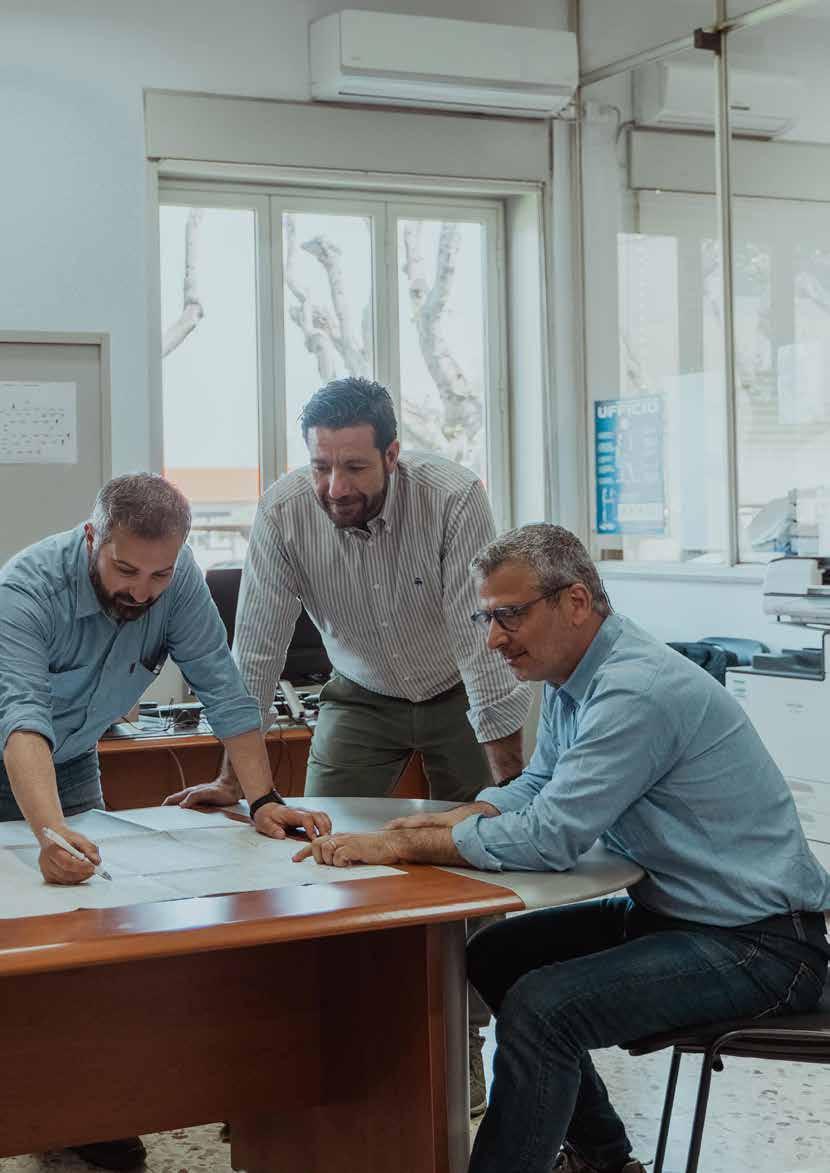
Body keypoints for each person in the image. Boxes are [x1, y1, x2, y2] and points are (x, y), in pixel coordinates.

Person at [294, 523, 830, 1173]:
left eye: (509, 615)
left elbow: (552, 838)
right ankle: (605, 1161)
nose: (493, 639)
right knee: (496, 952)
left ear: (575, 602)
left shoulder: (635, 690)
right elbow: (541, 782)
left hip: (762, 945)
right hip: (680, 918)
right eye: (486, 618)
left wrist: (407, 848)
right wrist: (466, 815)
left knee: (544, 1010)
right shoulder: (571, 677)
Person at [165, 376, 532, 1115]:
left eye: (355, 467)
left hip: (457, 690)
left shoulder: (453, 498)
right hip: (360, 692)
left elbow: (482, 644)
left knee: (480, 862)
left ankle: (463, 1046)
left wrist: (512, 787)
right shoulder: (284, 512)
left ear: (393, 455)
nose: (335, 486)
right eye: (322, 466)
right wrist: (235, 782)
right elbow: (255, 651)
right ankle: (323, 1041)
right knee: (315, 849)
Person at [0, 473, 330, 1173]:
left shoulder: (177, 584)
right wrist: (49, 832)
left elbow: (224, 687)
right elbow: (21, 716)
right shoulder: (25, 588)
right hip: (17, 749)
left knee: (86, 937)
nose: (143, 591)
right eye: (126, 570)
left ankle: (83, 1114)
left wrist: (262, 799)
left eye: (159, 573)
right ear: (92, 538)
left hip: (70, 759)